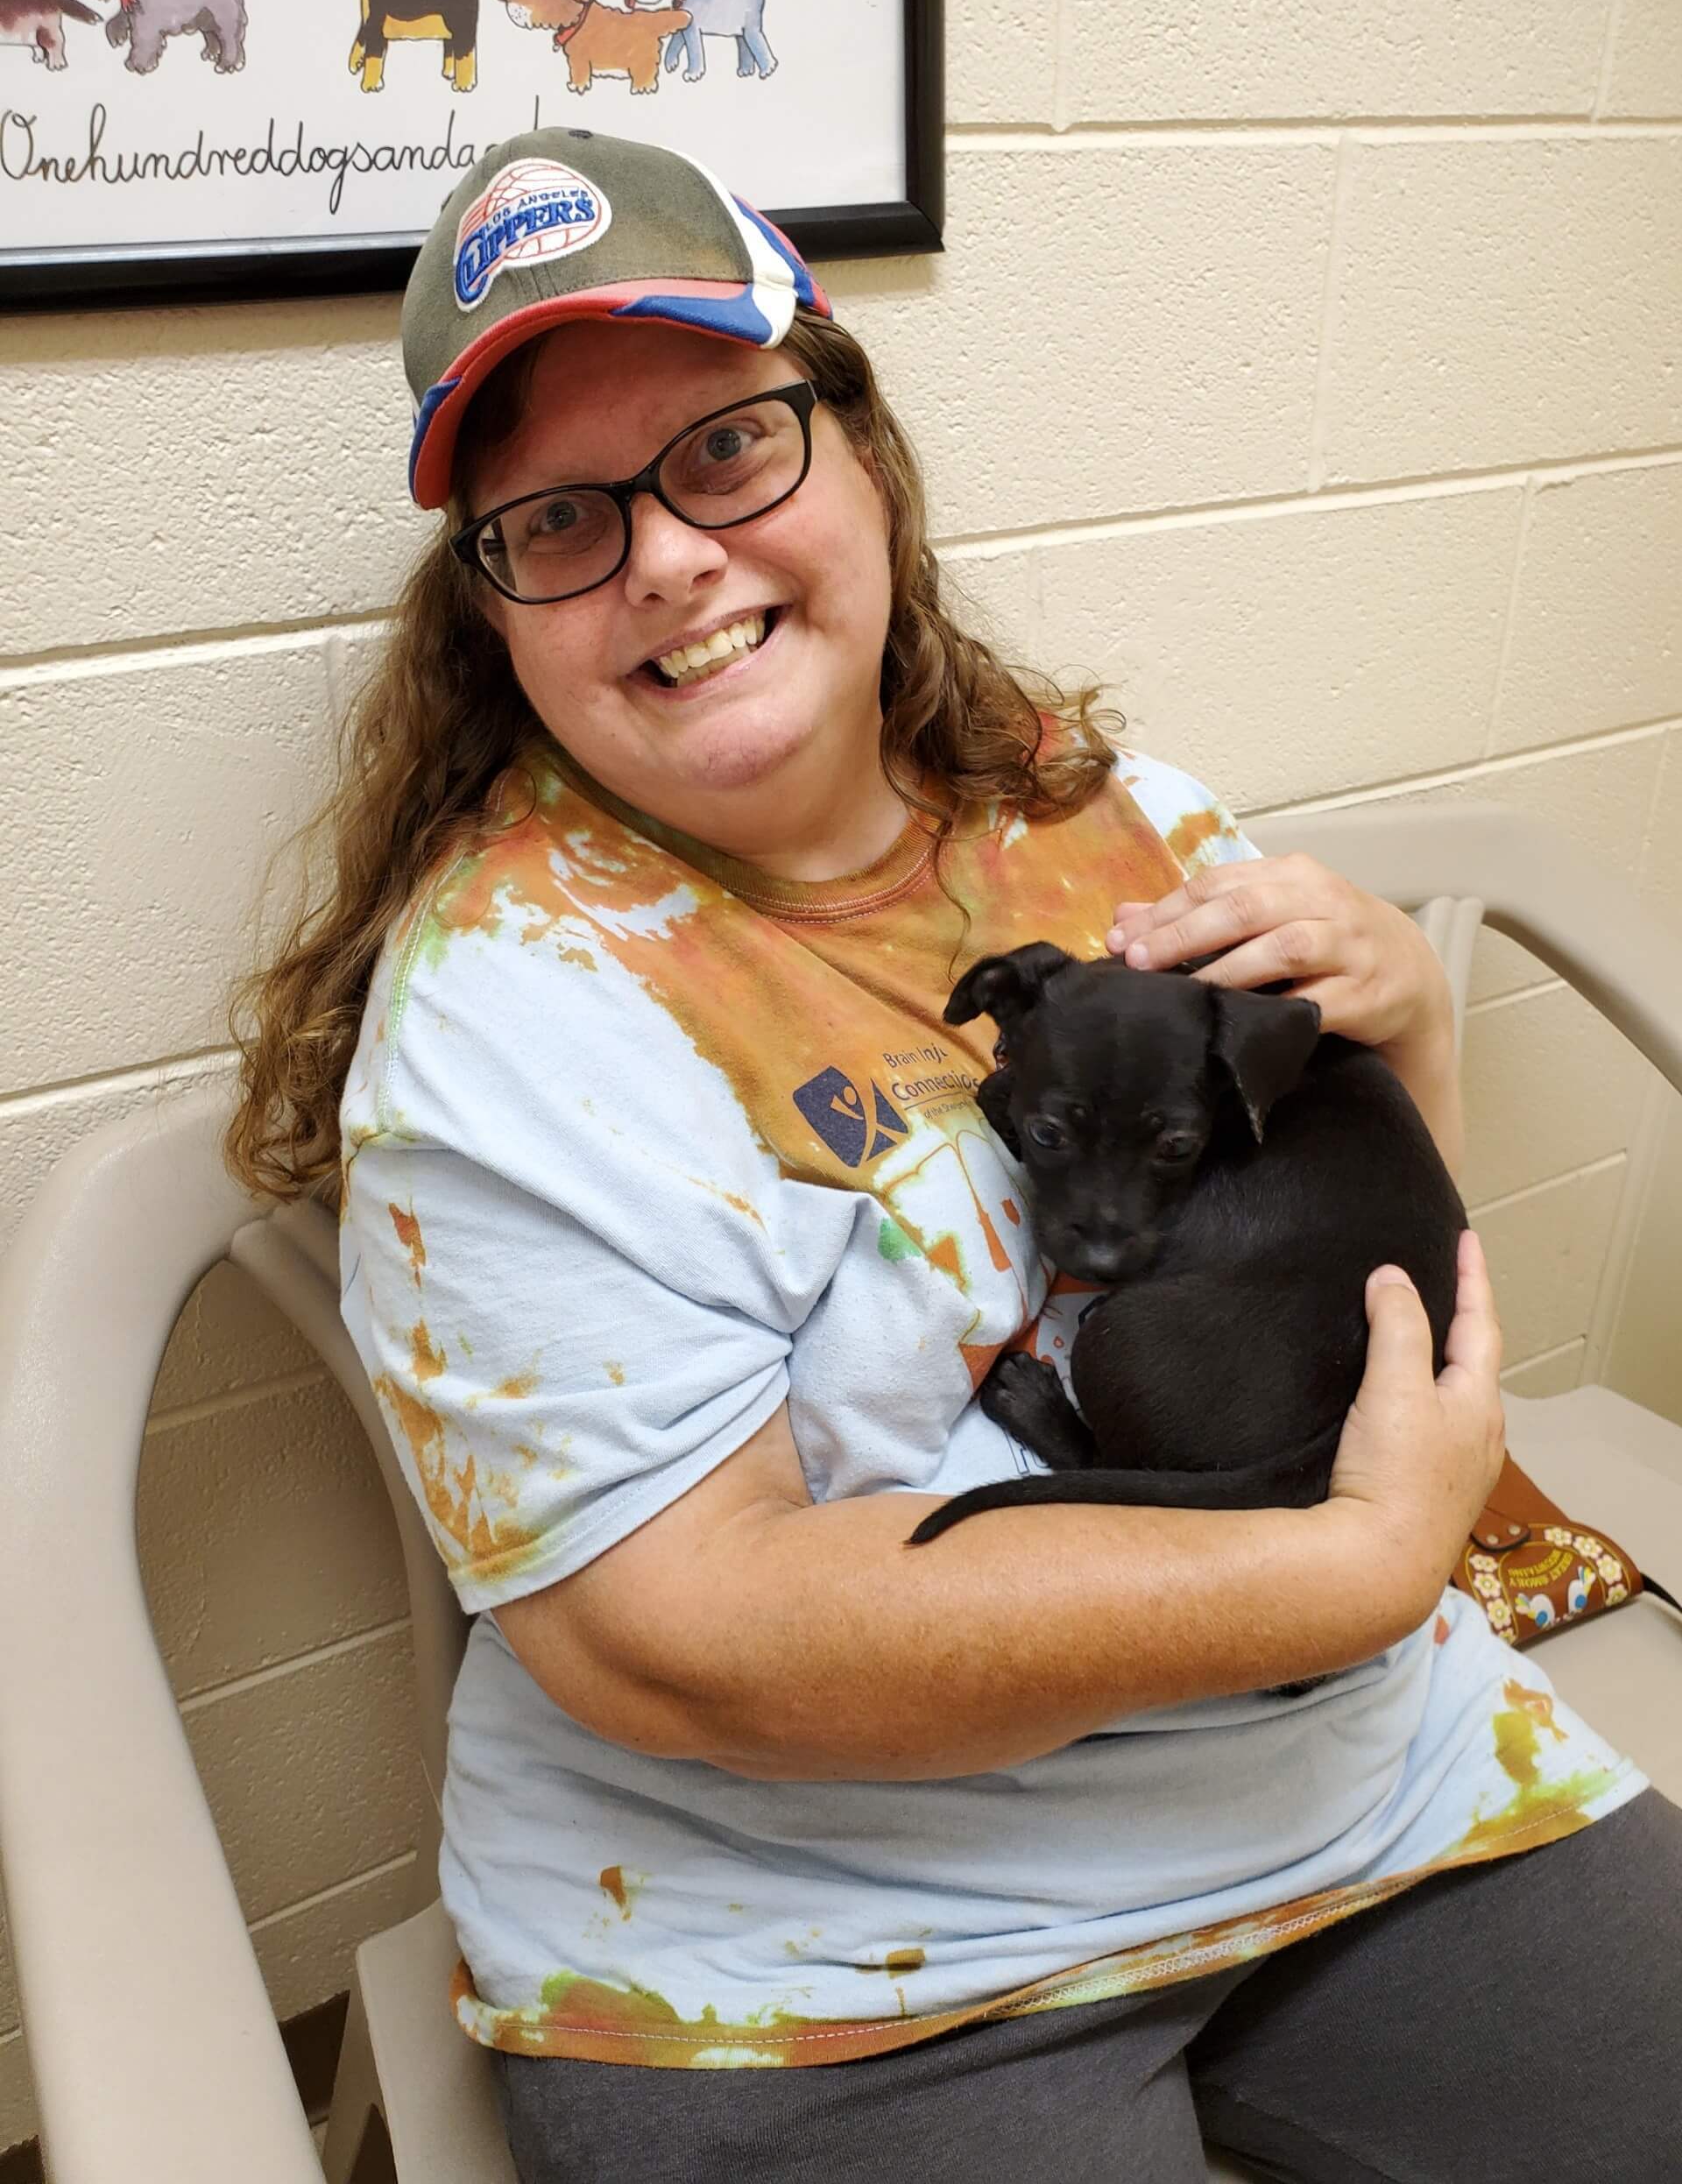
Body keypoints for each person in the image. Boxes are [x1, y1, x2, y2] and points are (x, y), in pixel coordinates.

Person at [228, 130, 1681, 2182]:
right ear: (494, 611)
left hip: (1363, 1784)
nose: (662, 555)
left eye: (728, 447)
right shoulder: (508, 1017)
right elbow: (674, 1631)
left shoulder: (1114, 815)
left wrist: (1412, 1026)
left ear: (862, 457)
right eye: (557, 518)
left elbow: (1340, 1265)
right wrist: (1345, 1567)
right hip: (820, 1960)